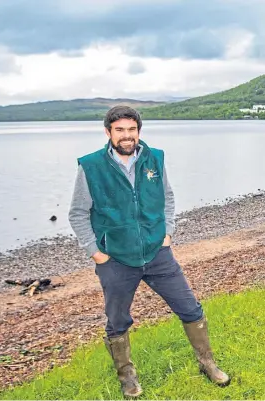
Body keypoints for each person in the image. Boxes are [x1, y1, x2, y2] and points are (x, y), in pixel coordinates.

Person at [68, 106, 230, 397]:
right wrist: (95, 252)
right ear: (108, 132)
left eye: (131, 129)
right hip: (115, 258)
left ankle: (207, 363)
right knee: (117, 321)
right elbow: (78, 213)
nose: (126, 136)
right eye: (119, 130)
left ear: (138, 131)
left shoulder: (155, 157)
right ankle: (127, 377)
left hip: (158, 252)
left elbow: (167, 195)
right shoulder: (91, 166)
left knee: (190, 308)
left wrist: (168, 232)